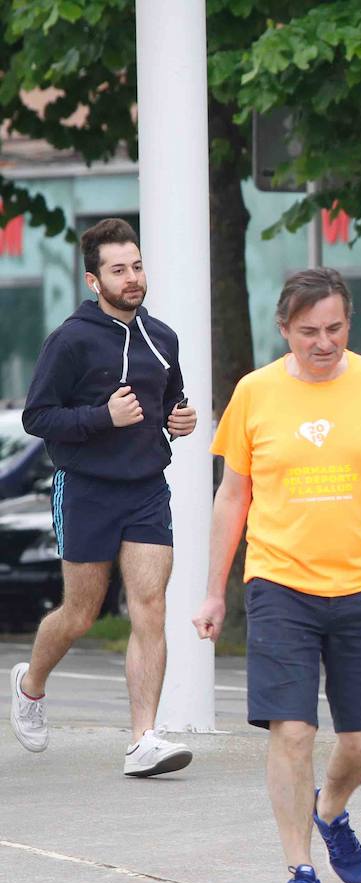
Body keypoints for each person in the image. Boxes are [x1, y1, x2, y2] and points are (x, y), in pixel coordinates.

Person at [192, 268, 361, 883]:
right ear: (284, 330)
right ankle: (300, 868)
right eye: (308, 332)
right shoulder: (254, 392)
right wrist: (215, 591)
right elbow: (233, 494)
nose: (323, 343)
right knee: (293, 731)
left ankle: (331, 810)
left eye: (333, 329)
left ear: (347, 323)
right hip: (281, 584)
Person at [11, 217, 197, 777]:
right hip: (86, 488)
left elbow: (170, 399)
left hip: (146, 489)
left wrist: (178, 418)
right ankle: (30, 684)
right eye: (119, 270)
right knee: (81, 613)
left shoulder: (161, 337)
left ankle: (144, 739)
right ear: (95, 280)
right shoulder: (69, 339)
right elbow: (37, 416)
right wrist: (103, 417)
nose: (133, 278)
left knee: (150, 606)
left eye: (137, 266)